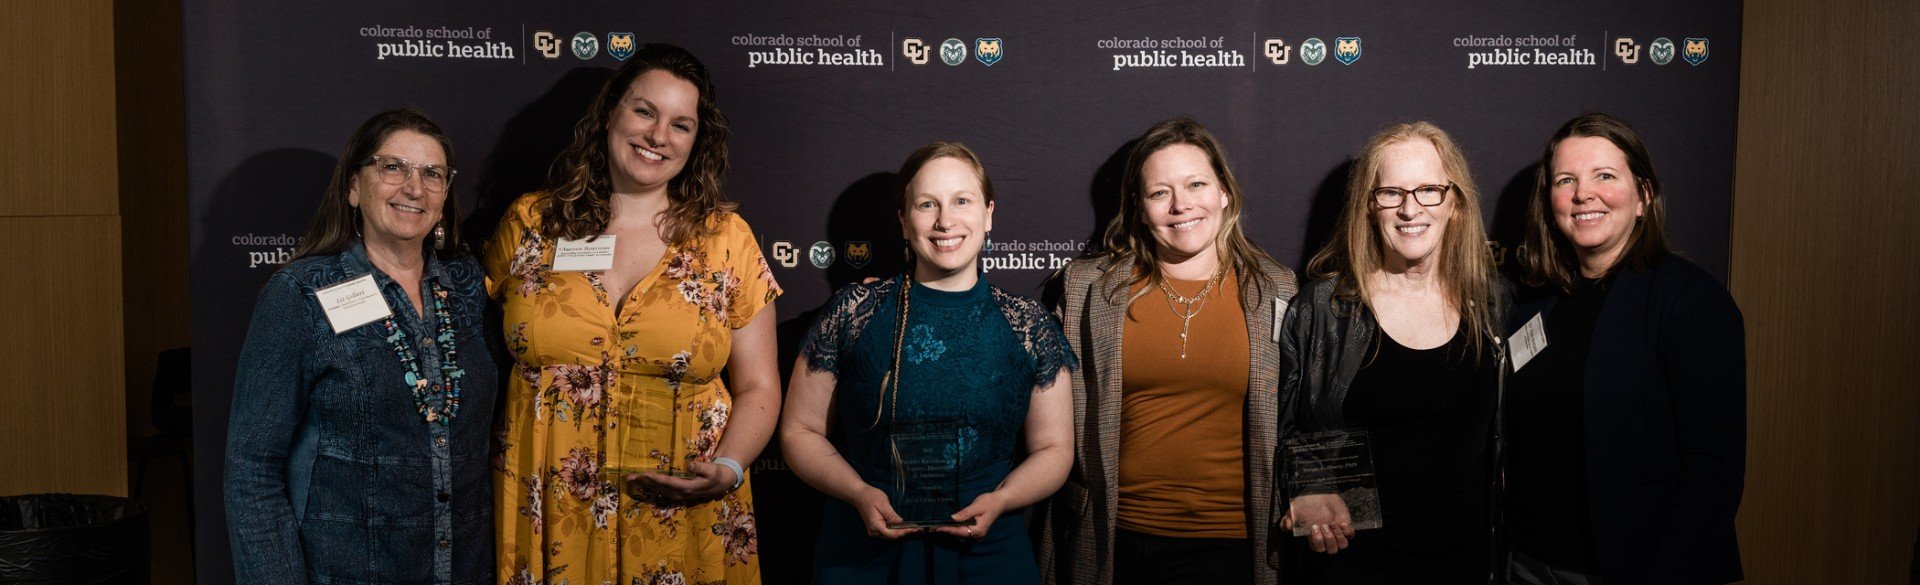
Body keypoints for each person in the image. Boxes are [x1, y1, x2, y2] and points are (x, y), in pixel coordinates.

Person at [485, 44, 783, 585]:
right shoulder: (532, 223)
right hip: (553, 510)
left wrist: (729, 469)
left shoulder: (726, 240)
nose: (658, 136)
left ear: (697, 141)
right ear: (609, 115)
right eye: (645, 111)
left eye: (681, 124)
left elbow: (760, 385)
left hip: (682, 507)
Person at [780, 142, 1075, 584]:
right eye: (927, 204)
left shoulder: (1029, 324)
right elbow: (799, 431)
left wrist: (1002, 499)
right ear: (903, 220)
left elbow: (1055, 449)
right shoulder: (853, 311)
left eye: (962, 200)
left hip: (987, 556)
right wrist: (858, 493)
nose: (945, 220)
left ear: (988, 213)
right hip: (863, 555)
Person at [226, 107, 498, 584]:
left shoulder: (467, 285)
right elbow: (252, 472)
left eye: (432, 173)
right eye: (393, 167)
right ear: (354, 186)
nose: (414, 187)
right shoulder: (300, 294)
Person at [1038, 117, 1298, 585]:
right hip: (1117, 540)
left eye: (1196, 184)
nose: (1181, 205)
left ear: (1225, 193)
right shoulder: (1086, 289)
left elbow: (1306, 414)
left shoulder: (1277, 290)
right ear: (1138, 207)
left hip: (1238, 544)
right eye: (1160, 193)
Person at [1504, 113, 1745, 585]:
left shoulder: (1690, 301)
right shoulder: (1536, 303)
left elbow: (1713, 472)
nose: (1582, 194)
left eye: (1605, 176)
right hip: (1527, 561)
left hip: (1633, 567)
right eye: (1566, 180)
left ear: (1644, 196)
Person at [1275, 122, 1509, 584]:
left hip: (1467, 563)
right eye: (1391, 193)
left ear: (1455, 204)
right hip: (1353, 565)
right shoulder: (1322, 308)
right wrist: (1307, 486)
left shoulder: (1493, 303)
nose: (1409, 209)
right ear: (1369, 205)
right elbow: (1278, 424)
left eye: (1428, 190)